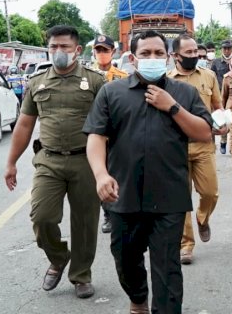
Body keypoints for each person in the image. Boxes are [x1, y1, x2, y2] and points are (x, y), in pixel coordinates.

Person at [84, 30, 212, 314]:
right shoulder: (111, 92)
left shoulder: (184, 93)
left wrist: (172, 107)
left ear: (167, 57)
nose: (152, 58)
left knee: (168, 269)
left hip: (169, 197)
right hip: (123, 194)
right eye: (145, 54)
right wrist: (101, 174)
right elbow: (96, 137)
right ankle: (138, 297)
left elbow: (204, 132)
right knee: (126, 259)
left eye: (158, 53)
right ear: (132, 58)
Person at [4, 25, 105, 299]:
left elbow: (110, 125)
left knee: (85, 223)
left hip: (86, 160)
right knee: (42, 217)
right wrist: (11, 162)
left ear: (77, 50)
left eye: (65, 47)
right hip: (48, 160)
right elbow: (24, 126)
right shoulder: (37, 82)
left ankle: (81, 275)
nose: (59, 52)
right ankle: (59, 257)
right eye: (54, 47)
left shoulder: (96, 82)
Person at [168, 34, 226, 265]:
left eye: (196, 52)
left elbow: (217, 106)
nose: (195, 56)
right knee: (181, 198)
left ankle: (203, 218)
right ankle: (186, 244)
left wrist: (222, 124)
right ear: (175, 55)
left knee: (210, 192)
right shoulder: (165, 79)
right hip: (176, 146)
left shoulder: (209, 76)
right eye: (189, 53)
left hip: (203, 145)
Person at [91, 34, 128, 234]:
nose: (102, 54)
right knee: (99, 173)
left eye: (105, 50)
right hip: (95, 134)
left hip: (116, 134)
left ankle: (116, 211)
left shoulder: (122, 77)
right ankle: (107, 214)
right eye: (99, 50)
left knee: (116, 172)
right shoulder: (85, 76)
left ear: (113, 52)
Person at [211, 39, 232, 154]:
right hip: (220, 94)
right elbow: (212, 77)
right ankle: (223, 142)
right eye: (224, 48)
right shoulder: (216, 62)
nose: (226, 50)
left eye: (228, 48)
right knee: (222, 119)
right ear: (221, 49)